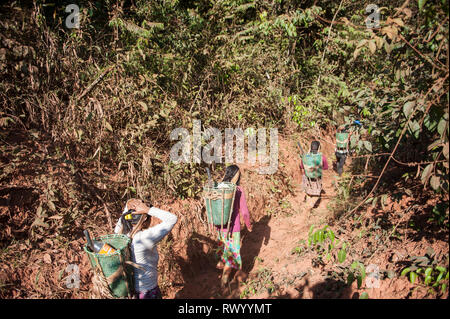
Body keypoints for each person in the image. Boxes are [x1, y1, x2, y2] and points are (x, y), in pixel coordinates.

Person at [114, 198, 178, 299]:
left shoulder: (121, 234)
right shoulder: (144, 238)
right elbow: (172, 219)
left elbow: (123, 218)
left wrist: (128, 205)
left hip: (131, 292)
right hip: (148, 291)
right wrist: (148, 210)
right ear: (144, 220)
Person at [214, 165, 252, 287]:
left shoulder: (218, 187)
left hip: (221, 227)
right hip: (233, 229)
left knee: (225, 248)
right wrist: (248, 225)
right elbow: (245, 212)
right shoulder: (238, 189)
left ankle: (220, 264)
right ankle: (223, 282)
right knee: (232, 255)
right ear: (236, 175)